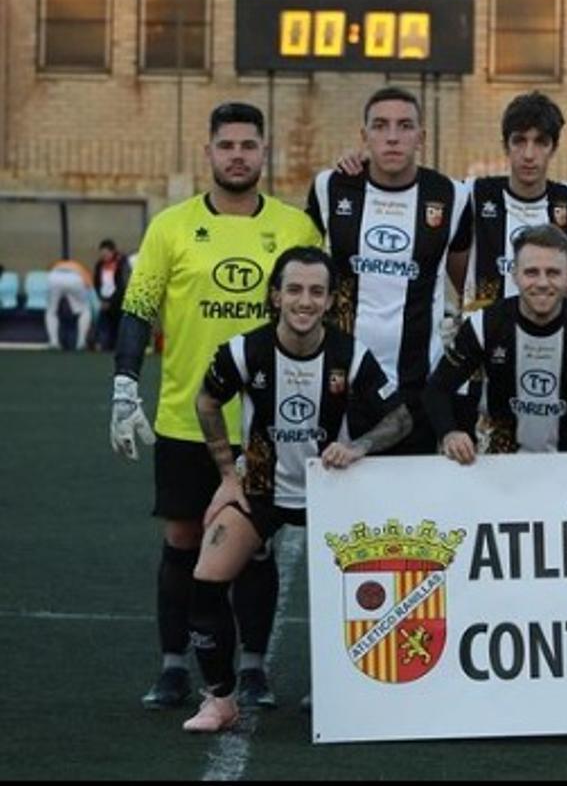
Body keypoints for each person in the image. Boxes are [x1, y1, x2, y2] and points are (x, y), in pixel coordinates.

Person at [110, 102, 322, 711]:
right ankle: (174, 665)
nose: (237, 155)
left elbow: (322, 306)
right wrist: (125, 381)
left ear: (264, 153)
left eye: (248, 145)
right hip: (185, 418)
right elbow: (139, 305)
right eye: (226, 145)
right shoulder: (171, 227)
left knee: (254, 546)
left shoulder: (295, 228)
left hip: (266, 427)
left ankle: (252, 667)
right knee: (181, 538)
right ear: (209, 153)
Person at [183, 247, 411, 732]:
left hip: (330, 488)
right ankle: (221, 699)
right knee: (205, 582)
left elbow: (400, 417)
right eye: (294, 290)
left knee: (363, 589)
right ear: (276, 296)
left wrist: (360, 446)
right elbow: (206, 401)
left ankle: (350, 688)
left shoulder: (351, 354)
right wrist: (227, 474)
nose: (304, 301)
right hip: (260, 489)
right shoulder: (246, 350)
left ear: (330, 300)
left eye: (315, 292)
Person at [305, 86, 470, 454]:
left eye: (405, 126)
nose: (392, 137)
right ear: (363, 137)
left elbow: (467, 284)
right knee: (343, 498)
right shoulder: (330, 187)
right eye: (380, 126)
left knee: (412, 507)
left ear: (421, 137)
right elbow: (305, 274)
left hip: (419, 384)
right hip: (341, 381)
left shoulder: (450, 196)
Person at [424, 224, 567, 462]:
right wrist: (449, 433)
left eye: (553, 272)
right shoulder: (484, 324)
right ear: (515, 274)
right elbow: (437, 389)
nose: (543, 283)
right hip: (501, 460)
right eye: (531, 272)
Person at [446, 91, 567, 309]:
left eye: (541, 142)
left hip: (549, 338)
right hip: (485, 336)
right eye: (519, 141)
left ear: (554, 148)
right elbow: (458, 269)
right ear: (505, 146)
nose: (529, 154)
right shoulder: (474, 193)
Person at [45, 258, 94, 351]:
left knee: (51, 311)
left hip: (53, 278)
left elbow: (49, 272)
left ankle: (53, 342)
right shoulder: (84, 271)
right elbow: (90, 288)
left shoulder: (58, 265)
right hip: (75, 279)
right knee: (85, 310)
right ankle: (81, 342)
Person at [94, 238, 131, 351]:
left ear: (113, 252)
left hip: (117, 301)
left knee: (118, 325)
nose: (104, 256)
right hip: (104, 300)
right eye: (102, 254)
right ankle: (102, 344)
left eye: (106, 253)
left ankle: (118, 346)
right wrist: (101, 298)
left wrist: (111, 301)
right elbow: (96, 282)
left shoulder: (121, 264)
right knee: (103, 324)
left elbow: (122, 285)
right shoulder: (100, 264)